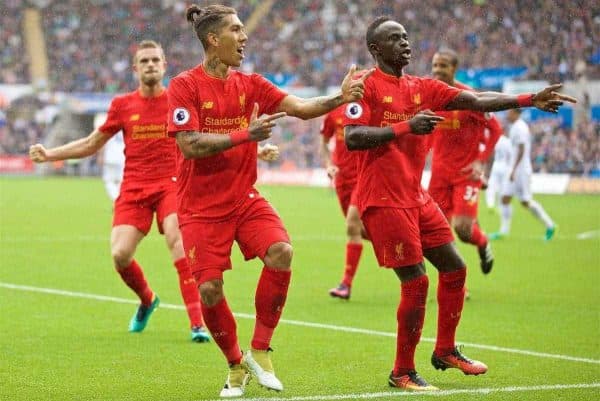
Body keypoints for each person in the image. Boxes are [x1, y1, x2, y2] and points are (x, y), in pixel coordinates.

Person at [342, 17, 575, 391]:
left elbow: (476, 100)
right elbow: (353, 138)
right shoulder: (363, 86)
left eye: (406, 36)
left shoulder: (423, 87)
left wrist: (528, 100)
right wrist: (406, 127)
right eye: (394, 38)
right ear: (375, 49)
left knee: (455, 268)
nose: (405, 43)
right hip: (383, 200)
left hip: (416, 197)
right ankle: (402, 371)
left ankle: (446, 350)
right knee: (416, 282)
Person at [167, 4, 371, 397]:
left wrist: (339, 97)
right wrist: (246, 135)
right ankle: (235, 365)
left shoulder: (253, 84)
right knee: (209, 290)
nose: (244, 38)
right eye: (236, 30)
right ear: (214, 39)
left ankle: (260, 349)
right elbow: (189, 145)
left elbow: (302, 109)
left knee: (281, 250)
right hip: (198, 207)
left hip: (243, 199)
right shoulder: (185, 86)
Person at [29, 40, 212, 342]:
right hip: (134, 188)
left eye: (156, 60)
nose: (151, 65)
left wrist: (250, 145)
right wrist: (50, 154)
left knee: (178, 240)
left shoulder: (178, 101)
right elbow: (91, 143)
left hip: (171, 184)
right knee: (120, 254)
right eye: (145, 61)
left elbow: (207, 135)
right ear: (136, 68)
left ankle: (197, 324)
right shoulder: (122, 105)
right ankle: (147, 299)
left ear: (164, 65)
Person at [428, 49, 504, 275]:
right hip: (439, 174)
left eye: (443, 66)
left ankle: (482, 243)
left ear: (454, 69)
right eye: (434, 65)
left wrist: (481, 162)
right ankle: (457, 279)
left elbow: (496, 129)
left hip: (465, 174)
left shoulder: (468, 97)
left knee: (462, 229)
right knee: (437, 231)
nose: (437, 71)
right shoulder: (430, 95)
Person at [319, 106, 366, 300]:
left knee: (352, 226)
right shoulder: (334, 112)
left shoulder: (368, 109)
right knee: (362, 231)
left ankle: (346, 284)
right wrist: (329, 165)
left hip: (364, 177)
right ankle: (408, 248)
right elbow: (323, 141)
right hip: (342, 180)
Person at [490, 109, 556, 240]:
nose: (507, 114)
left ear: (515, 113)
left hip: (520, 170)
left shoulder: (520, 127)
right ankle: (504, 231)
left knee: (525, 201)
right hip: (514, 169)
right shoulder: (515, 126)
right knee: (504, 198)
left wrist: (514, 169)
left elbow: (522, 149)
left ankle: (550, 225)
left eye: (509, 112)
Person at [485, 132, 512, 211]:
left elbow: (490, 152)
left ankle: (490, 204)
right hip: (504, 165)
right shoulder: (507, 141)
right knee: (503, 187)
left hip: (495, 164)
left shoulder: (494, 139)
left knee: (491, 186)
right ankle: (501, 205)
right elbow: (510, 155)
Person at [99, 131, 125, 202]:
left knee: (108, 180)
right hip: (123, 156)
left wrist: (101, 155)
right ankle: (120, 200)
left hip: (110, 156)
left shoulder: (107, 122)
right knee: (120, 181)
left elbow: (103, 141)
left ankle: (116, 200)